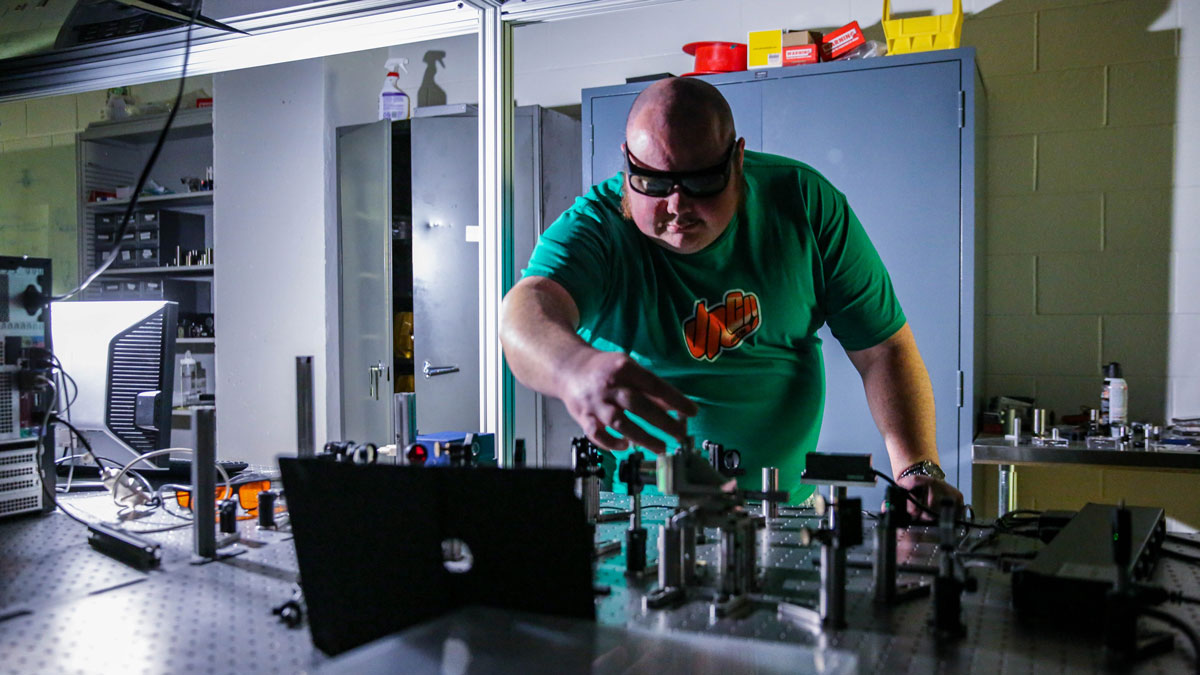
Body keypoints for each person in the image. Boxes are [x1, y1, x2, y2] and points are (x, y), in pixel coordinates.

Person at [500, 77, 962, 513]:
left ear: (737, 159)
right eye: (654, 183)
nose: (676, 206)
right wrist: (572, 368)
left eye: (700, 182)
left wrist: (914, 469)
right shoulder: (597, 226)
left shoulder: (802, 202)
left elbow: (882, 348)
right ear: (627, 162)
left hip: (781, 510)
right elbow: (524, 311)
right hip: (640, 512)